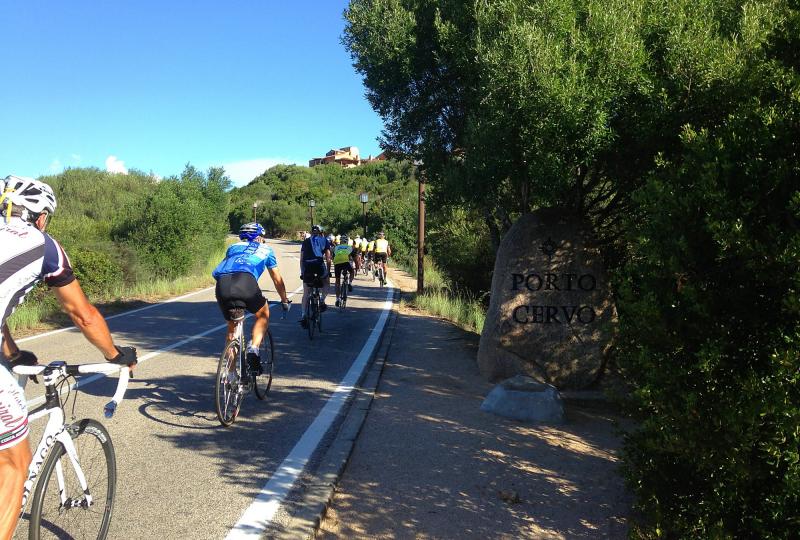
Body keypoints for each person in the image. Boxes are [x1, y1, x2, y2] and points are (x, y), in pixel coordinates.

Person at [0, 175, 138, 539]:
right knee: (13, 464)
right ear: (40, 216)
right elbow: (82, 314)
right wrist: (116, 354)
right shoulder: (43, 246)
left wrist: (13, 354)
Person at [212, 222, 290, 380]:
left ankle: (231, 373)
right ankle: (253, 348)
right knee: (263, 314)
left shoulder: (233, 248)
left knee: (232, 328)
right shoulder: (266, 250)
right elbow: (277, 279)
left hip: (223, 284)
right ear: (260, 236)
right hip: (246, 282)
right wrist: (284, 300)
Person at [299, 224, 331, 328]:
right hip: (318, 265)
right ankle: (322, 300)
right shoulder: (324, 240)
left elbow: (301, 259)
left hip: (307, 266)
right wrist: (328, 272)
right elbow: (328, 258)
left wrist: (302, 272)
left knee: (306, 291)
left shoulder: (305, 241)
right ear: (321, 232)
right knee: (326, 281)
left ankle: (303, 314)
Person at [332, 234, 356, 306]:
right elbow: (354, 258)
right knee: (352, 271)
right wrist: (356, 266)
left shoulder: (336, 247)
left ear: (340, 241)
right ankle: (350, 283)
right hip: (346, 262)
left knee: (337, 281)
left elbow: (333, 257)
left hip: (337, 263)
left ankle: (337, 299)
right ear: (347, 241)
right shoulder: (349, 247)